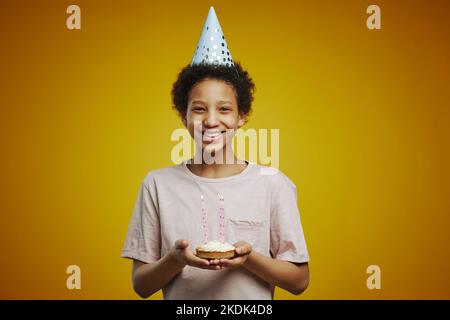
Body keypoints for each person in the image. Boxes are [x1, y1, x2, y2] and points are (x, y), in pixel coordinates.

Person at [121, 6, 309, 300]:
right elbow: (141, 286)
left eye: (224, 109)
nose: (210, 120)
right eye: (198, 109)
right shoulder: (157, 185)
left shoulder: (274, 184)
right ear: (184, 117)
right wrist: (176, 258)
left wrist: (248, 259)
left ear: (241, 116)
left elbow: (299, 281)